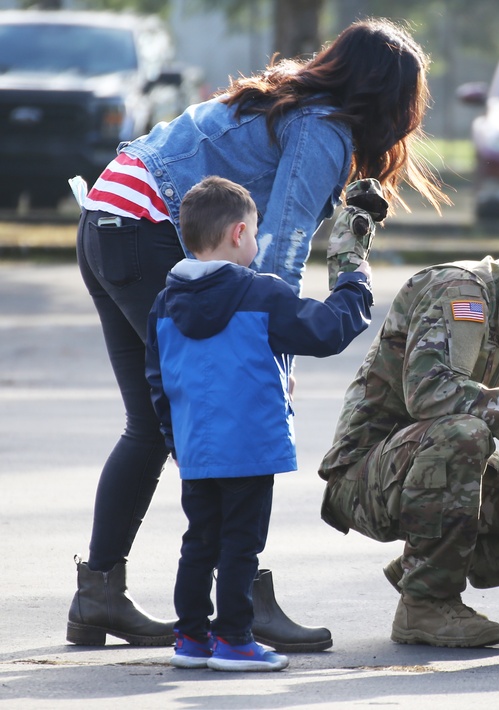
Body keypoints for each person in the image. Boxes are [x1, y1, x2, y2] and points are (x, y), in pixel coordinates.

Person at [70, 17, 444, 652]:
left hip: (108, 220)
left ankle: (100, 594)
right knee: (223, 416)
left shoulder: (282, 99)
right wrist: (277, 354)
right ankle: (239, 606)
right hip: (147, 228)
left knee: (155, 423)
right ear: (392, 99)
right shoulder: (323, 129)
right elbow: (281, 250)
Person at [318, 194, 499, 648]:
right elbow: (429, 392)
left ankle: (433, 563)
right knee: (463, 432)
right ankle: (425, 605)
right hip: (367, 476)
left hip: (444, 479)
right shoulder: (462, 290)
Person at [146, 176, 374, 671]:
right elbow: (328, 329)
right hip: (249, 446)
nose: (256, 243)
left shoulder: (164, 303)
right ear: (238, 233)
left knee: (200, 539)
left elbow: (157, 382)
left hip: (197, 450)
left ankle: (191, 638)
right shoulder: (260, 294)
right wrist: (355, 281)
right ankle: (233, 639)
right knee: (240, 545)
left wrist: (176, 441)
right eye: (254, 234)